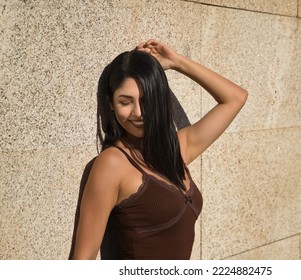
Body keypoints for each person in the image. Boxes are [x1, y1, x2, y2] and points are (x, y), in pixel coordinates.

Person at [70, 39, 248, 260]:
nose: (138, 112)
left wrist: (176, 61)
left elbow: (235, 98)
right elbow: (81, 261)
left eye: (147, 100)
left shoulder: (175, 150)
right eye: (126, 102)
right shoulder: (112, 164)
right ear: (110, 104)